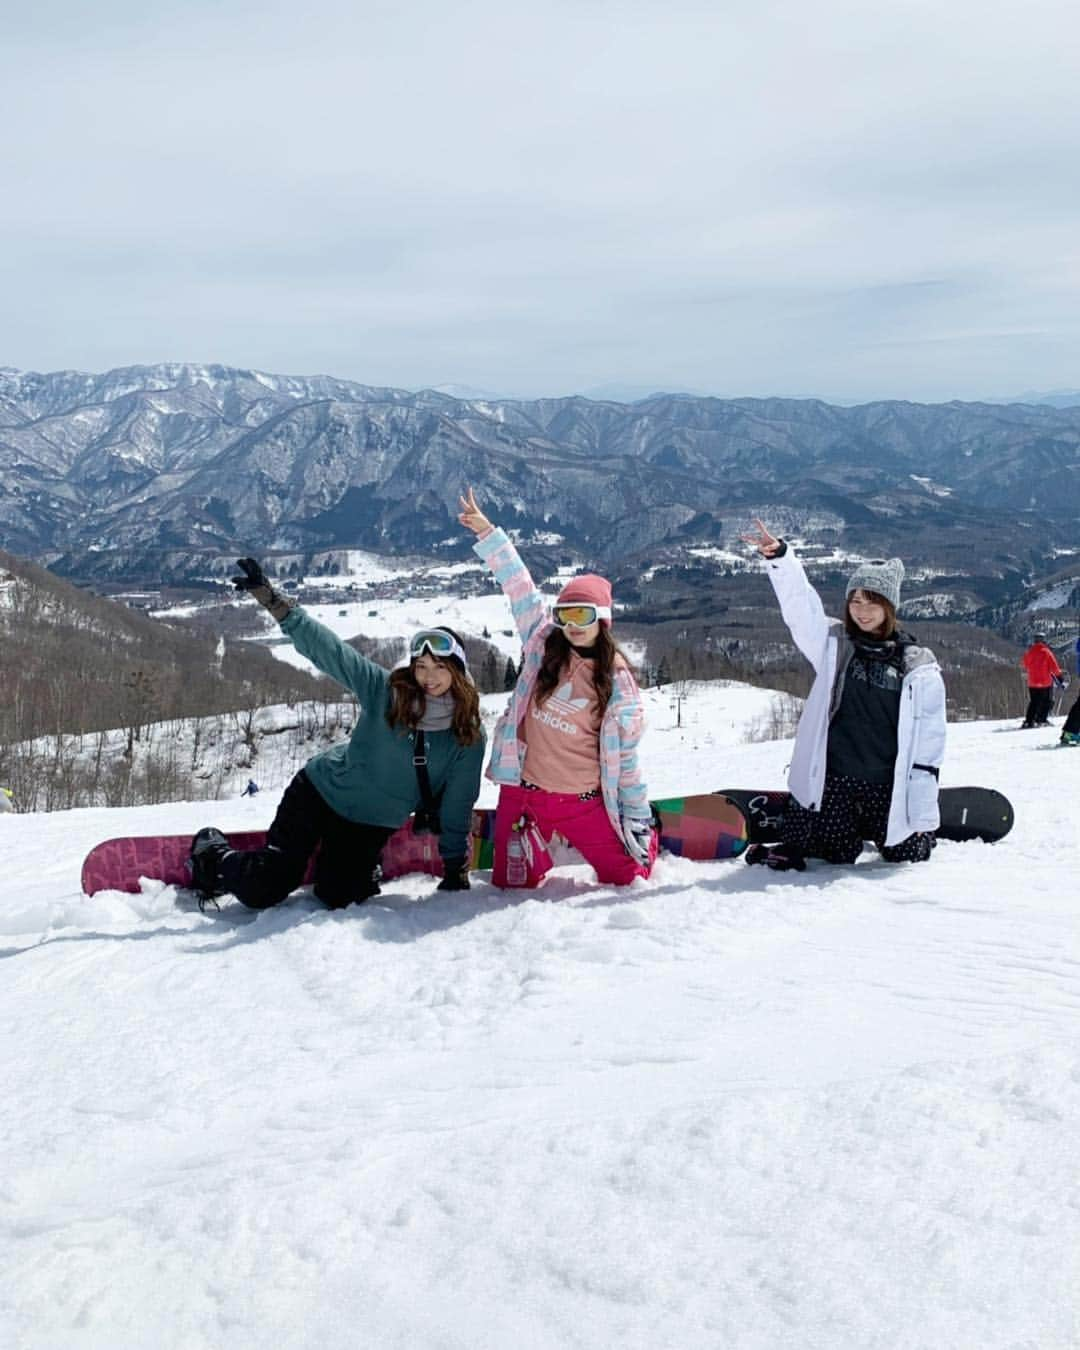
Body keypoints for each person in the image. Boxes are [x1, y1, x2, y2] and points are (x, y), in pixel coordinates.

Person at [189, 559, 486, 909]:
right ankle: (214, 858)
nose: (428, 677)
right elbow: (333, 653)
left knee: (340, 897)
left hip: (368, 825)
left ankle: (347, 866)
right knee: (267, 887)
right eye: (421, 666)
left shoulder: (467, 734)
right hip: (320, 791)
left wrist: (455, 869)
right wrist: (277, 604)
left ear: (458, 671)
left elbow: (457, 804)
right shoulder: (387, 692)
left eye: (439, 667)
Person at [458, 488, 656, 888]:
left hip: (581, 803)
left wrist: (636, 815)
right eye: (565, 614)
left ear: (602, 619)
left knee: (630, 877)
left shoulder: (616, 681)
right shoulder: (543, 645)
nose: (572, 624)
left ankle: (637, 840)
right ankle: (537, 844)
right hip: (524, 796)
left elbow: (627, 759)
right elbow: (520, 589)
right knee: (510, 887)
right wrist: (489, 535)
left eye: (583, 614)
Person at [740, 520, 946, 871]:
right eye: (855, 601)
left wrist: (921, 795)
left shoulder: (917, 665)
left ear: (889, 607)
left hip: (886, 782)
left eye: (872, 602)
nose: (861, 610)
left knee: (904, 854)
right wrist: (782, 560)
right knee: (835, 854)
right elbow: (800, 611)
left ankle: (917, 829)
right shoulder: (834, 645)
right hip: (836, 777)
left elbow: (931, 738)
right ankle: (816, 823)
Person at [1019, 635, 1063, 728]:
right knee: (1047, 701)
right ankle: (1041, 719)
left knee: (1034, 702)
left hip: (1032, 682)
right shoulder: (1047, 652)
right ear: (1044, 641)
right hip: (1045, 682)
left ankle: (1029, 720)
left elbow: (1024, 664)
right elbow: (1054, 666)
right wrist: (1059, 677)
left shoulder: (1029, 652)